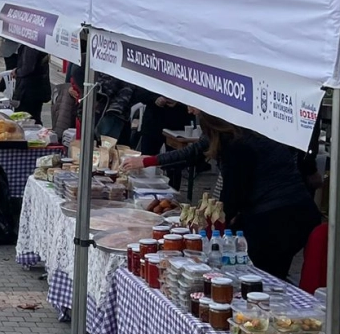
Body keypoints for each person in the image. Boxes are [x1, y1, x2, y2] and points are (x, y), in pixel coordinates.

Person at [129, 114, 318, 280]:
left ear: (211, 124)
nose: (189, 111)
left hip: (280, 216)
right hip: (291, 211)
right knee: (267, 271)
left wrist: (216, 228)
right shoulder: (236, 131)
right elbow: (194, 153)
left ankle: (259, 314)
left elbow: (232, 196)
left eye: (194, 109)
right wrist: (149, 160)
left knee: (261, 274)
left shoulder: (238, 145)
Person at [10, 45, 50, 122]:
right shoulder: (36, 46)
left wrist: (17, 72)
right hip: (35, 89)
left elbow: (27, 68)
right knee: (33, 117)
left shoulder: (31, 47)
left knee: (27, 119)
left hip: (29, 90)